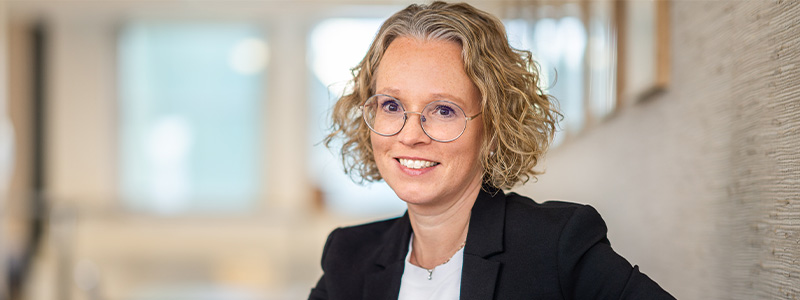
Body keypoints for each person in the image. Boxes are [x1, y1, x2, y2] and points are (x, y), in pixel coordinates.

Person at [309, 2, 674, 299]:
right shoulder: (348, 256)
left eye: (443, 110)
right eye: (391, 105)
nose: (410, 134)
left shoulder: (557, 246)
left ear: (494, 128)